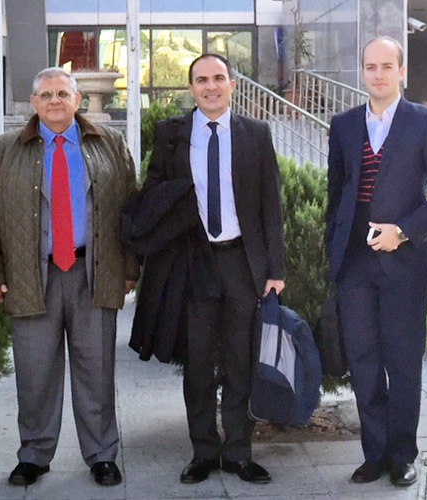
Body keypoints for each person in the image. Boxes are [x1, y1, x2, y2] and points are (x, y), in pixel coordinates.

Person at [0, 67, 139, 487]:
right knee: (35, 373)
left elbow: (130, 209)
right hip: (31, 276)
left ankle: (102, 455)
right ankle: (33, 454)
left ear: (77, 100)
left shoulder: (109, 143)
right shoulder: (4, 149)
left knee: (96, 371)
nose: (54, 101)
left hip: (94, 273)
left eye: (63, 94)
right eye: (46, 94)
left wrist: (129, 268)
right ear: (33, 103)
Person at [325, 36, 427, 487]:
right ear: (362, 72)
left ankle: (403, 455)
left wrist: (402, 231)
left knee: (403, 363)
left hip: (405, 264)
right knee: (363, 361)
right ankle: (376, 454)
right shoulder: (344, 125)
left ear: (402, 72)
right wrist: (333, 250)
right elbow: (336, 193)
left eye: (387, 66)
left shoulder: (424, 122)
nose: (379, 74)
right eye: (371, 67)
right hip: (354, 264)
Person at [143, 53, 285, 485]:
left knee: (241, 361)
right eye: (201, 80)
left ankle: (239, 452)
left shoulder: (255, 134)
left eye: (218, 78)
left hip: (241, 261)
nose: (210, 86)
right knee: (199, 361)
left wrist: (275, 268)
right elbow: (154, 194)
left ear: (232, 84)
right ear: (191, 88)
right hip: (194, 261)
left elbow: (271, 204)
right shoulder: (170, 134)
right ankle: (203, 451)